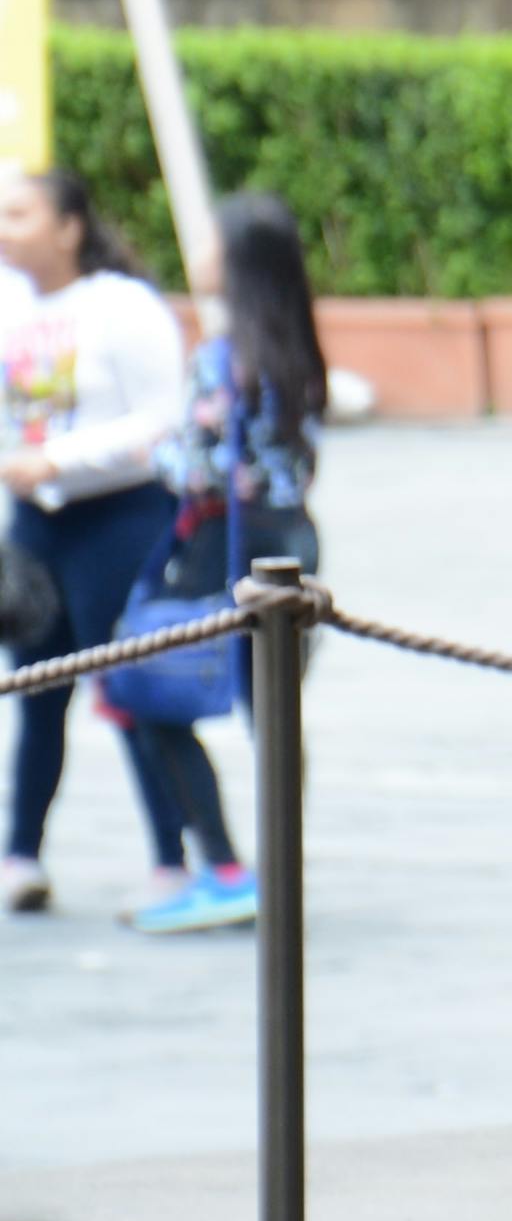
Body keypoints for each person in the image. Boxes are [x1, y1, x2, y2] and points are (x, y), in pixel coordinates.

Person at [91, 189, 337, 944]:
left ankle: (225, 870)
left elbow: (192, 467)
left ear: (232, 263)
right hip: (290, 548)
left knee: (142, 692)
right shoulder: (298, 351)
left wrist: (147, 450)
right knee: (273, 714)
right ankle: (277, 871)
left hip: (217, 552)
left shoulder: (220, 359)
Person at [0, 170, 197, 924]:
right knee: (34, 692)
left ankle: (171, 861)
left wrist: (62, 460)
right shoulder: (11, 301)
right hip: (35, 524)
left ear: (69, 227)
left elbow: (162, 420)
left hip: (121, 520)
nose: (6, 227)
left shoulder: (122, 306)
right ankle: (21, 855)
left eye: (21, 213)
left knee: (131, 694)